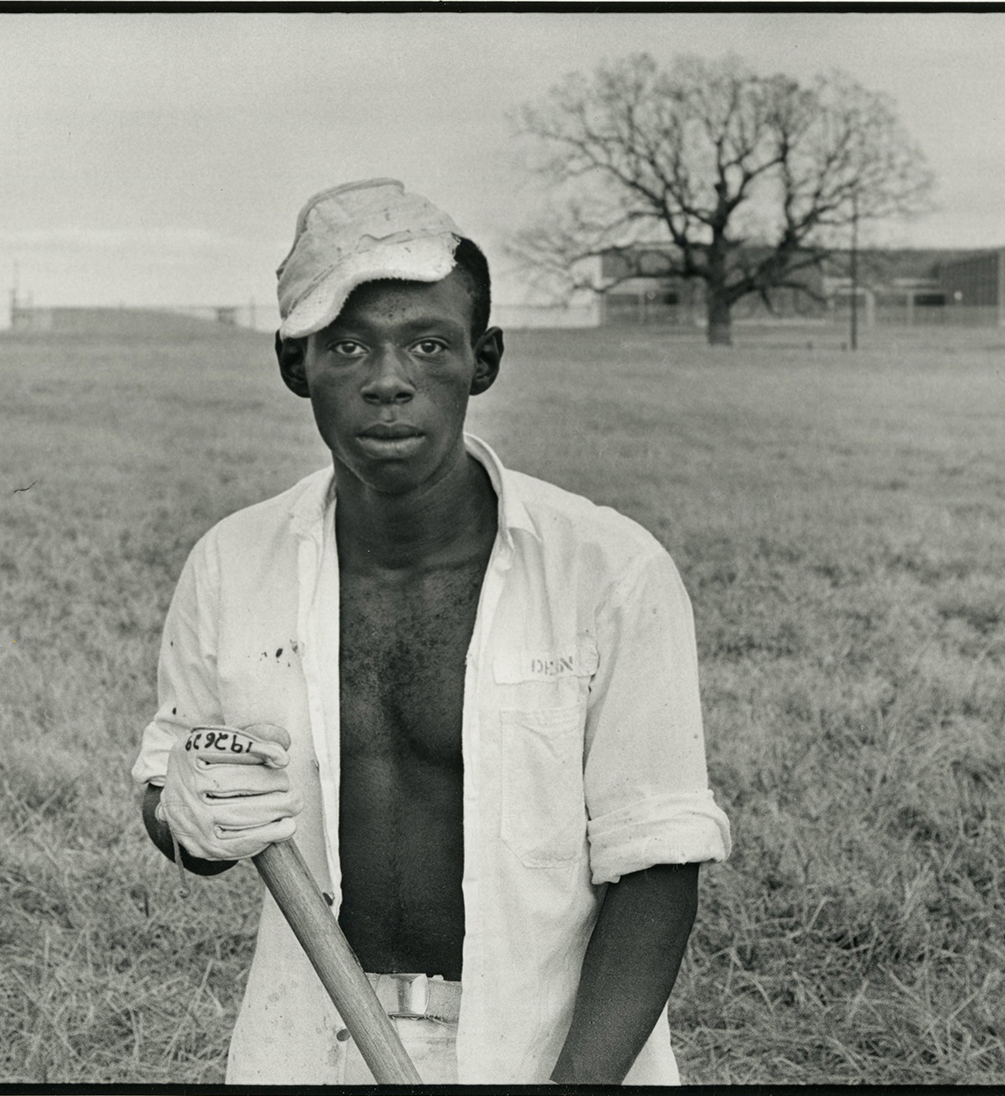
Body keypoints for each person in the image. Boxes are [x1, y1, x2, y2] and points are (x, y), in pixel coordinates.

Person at [132, 178, 731, 1084]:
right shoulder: (231, 565)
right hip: (306, 1045)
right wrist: (183, 816)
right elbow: (177, 792)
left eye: (427, 344)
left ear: (482, 359)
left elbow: (657, 865)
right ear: (295, 365)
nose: (387, 382)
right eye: (346, 346)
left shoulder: (608, 570)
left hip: (555, 1053)